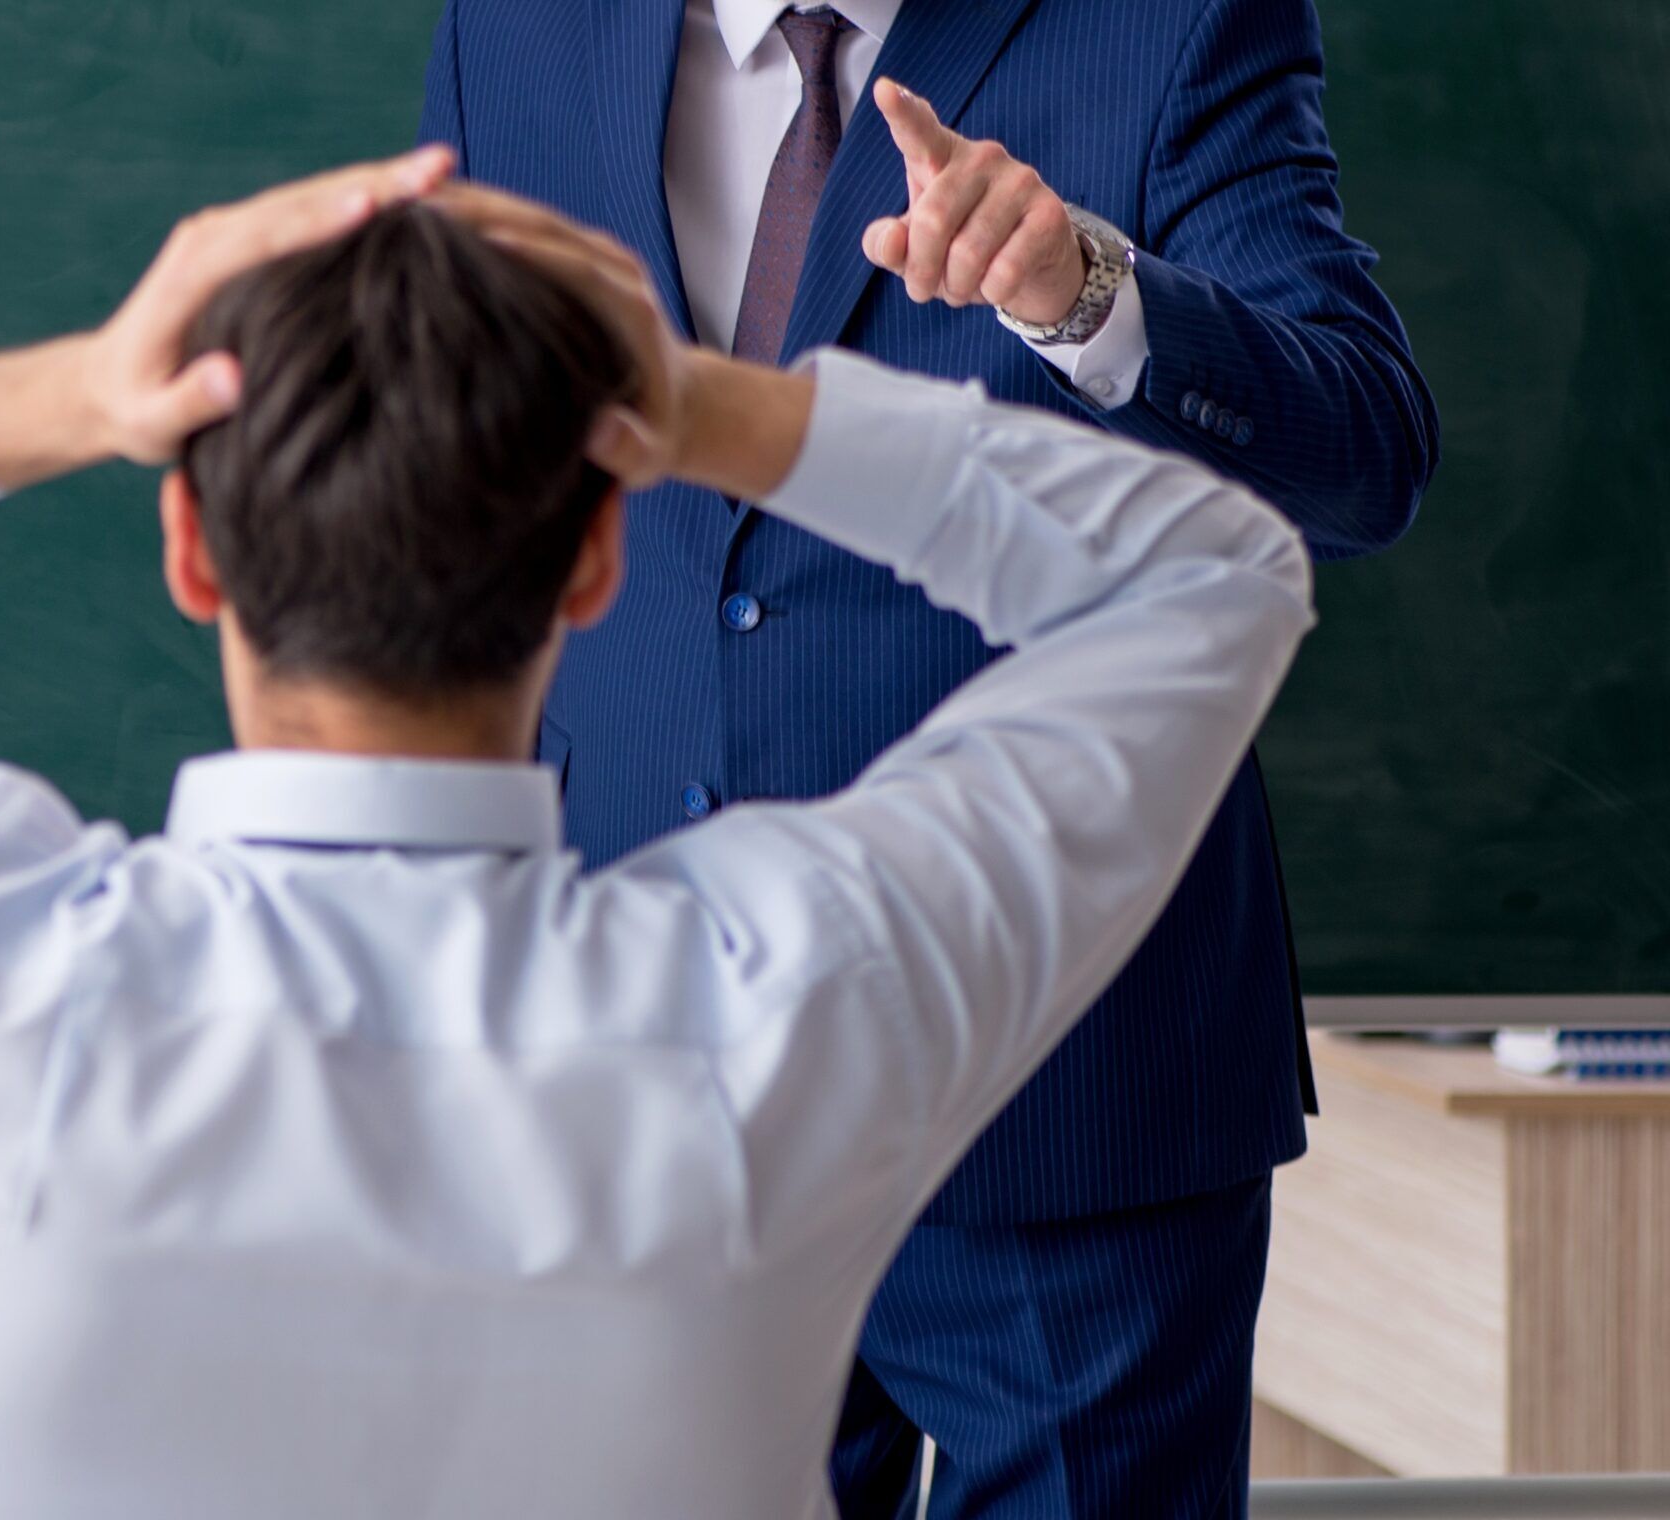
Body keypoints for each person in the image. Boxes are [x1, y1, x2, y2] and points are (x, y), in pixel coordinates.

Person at [0, 152, 1313, 1518]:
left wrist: (85, 388)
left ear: (192, 553)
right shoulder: (785, 1001)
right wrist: (699, 403)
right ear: (599, 559)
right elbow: (1215, 575)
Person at [419, 1, 1440, 1509]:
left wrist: (1090, 295)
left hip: (1069, 1071)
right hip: (639, 1072)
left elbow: (1364, 453)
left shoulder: (1173, 28)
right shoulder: (512, 29)